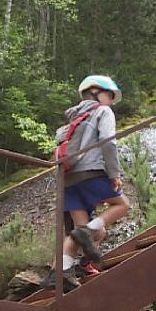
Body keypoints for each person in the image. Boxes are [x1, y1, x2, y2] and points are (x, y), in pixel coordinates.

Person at [42, 75, 130, 291]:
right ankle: (80, 253)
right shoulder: (103, 111)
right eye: (109, 96)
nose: (110, 101)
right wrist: (114, 173)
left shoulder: (71, 121)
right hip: (90, 172)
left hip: (67, 180)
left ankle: (60, 273)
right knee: (122, 205)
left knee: (85, 232)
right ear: (96, 93)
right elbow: (108, 142)